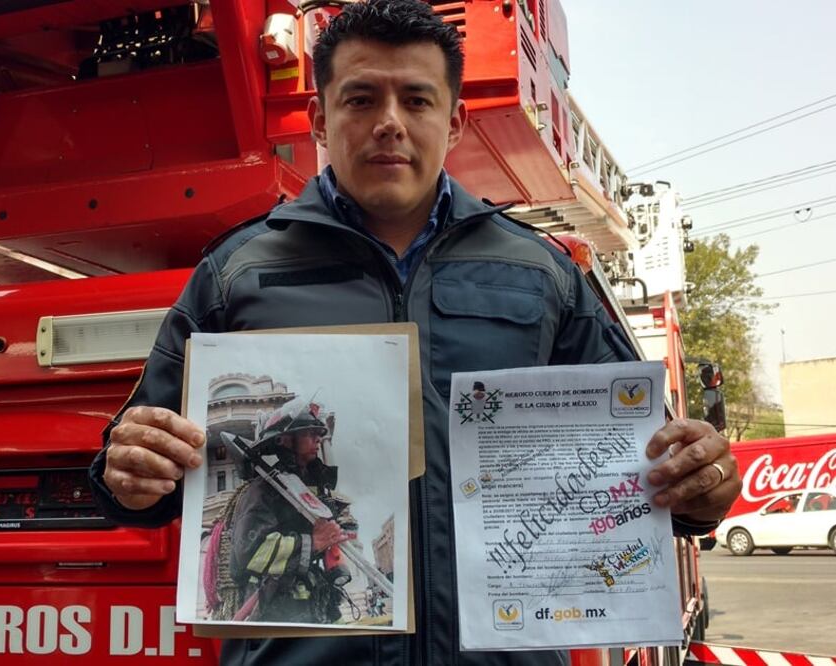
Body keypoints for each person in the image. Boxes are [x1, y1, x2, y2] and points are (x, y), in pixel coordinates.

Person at [89, 1, 743, 664]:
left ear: (453, 121)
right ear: (320, 117)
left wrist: (699, 484)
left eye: (417, 100)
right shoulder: (236, 272)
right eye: (361, 98)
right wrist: (129, 471)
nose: (389, 124)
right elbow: (136, 477)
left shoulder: (539, 273)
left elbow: (650, 462)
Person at [218, 399, 358, 624]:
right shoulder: (263, 489)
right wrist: (313, 541)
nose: (318, 438)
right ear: (285, 439)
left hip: (314, 601)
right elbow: (250, 553)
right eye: (309, 433)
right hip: (273, 608)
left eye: (318, 433)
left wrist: (335, 536)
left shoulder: (305, 490)